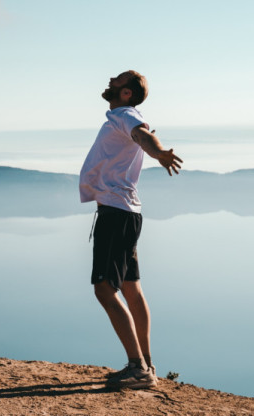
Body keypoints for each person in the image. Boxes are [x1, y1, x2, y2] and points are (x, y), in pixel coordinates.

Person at [79, 70, 182, 389]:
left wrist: (159, 152)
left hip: (115, 213)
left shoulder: (126, 115)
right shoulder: (121, 116)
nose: (110, 80)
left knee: (104, 289)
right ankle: (146, 363)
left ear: (126, 93)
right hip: (124, 211)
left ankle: (138, 369)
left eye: (117, 80)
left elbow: (143, 135)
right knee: (130, 286)